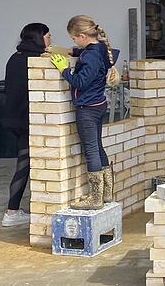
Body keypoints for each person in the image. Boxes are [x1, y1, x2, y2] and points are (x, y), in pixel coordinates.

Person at [50, 15, 121, 210]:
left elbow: (81, 82)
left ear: (82, 36)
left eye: (74, 39)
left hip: (87, 109)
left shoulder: (90, 56)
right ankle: (107, 193)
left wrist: (64, 69)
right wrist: (70, 51)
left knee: (90, 150)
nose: (74, 42)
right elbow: (87, 54)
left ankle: (95, 198)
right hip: (98, 105)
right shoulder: (100, 49)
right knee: (97, 146)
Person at [1, 22, 53, 226]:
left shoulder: (15, 58)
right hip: (29, 120)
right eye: (48, 37)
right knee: (24, 165)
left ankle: (13, 210)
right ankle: (12, 212)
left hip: (15, 119)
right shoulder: (37, 60)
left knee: (24, 163)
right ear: (39, 38)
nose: (50, 40)